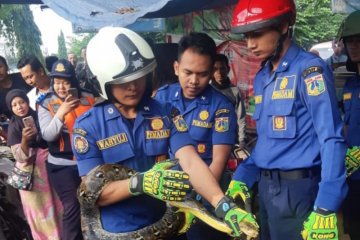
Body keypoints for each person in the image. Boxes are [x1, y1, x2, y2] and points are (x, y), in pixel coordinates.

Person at [72, 26, 258, 239]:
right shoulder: (87, 127)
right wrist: (141, 183)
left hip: (167, 226)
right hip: (117, 231)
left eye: (139, 77)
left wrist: (222, 204)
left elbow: (190, 161)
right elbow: (93, 195)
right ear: (103, 81)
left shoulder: (166, 112)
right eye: (124, 81)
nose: (134, 87)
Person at [227, 0, 348, 239]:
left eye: (258, 34)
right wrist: (243, 177)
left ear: (283, 26)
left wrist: (327, 204)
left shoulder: (309, 71)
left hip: (299, 191)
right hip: (266, 189)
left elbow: (331, 138)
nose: (250, 45)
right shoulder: (262, 77)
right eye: (247, 36)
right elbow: (267, 141)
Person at [154, 33, 237, 240]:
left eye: (202, 74)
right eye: (187, 72)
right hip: (165, 193)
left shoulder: (221, 106)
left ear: (210, 73)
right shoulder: (160, 99)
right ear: (176, 68)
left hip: (206, 196)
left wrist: (196, 201)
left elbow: (218, 161)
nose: (193, 81)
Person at [38, 59, 95, 240]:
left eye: (65, 82)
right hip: (62, 165)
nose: (61, 87)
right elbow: (48, 135)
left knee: (95, 204)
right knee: (72, 206)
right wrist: (61, 112)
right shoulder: (46, 103)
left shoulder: (89, 97)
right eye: (56, 82)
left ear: (73, 81)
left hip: (90, 162)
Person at [6, 89, 62, 240]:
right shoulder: (14, 127)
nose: (19, 107)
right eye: (14, 105)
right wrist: (24, 140)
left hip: (49, 169)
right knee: (38, 213)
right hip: (31, 179)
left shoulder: (40, 116)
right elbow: (19, 156)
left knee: (58, 207)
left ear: (27, 101)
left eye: (22, 102)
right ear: (11, 109)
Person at [338, 10, 360, 240]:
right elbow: (347, 125)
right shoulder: (350, 85)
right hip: (352, 173)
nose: (353, 46)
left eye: (359, 40)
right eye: (350, 41)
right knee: (353, 229)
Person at [210, 53, 247, 148]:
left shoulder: (235, 91)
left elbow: (241, 117)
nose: (219, 72)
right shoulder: (207, 91)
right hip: (210, 140)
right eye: (215, 69)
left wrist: (242, 140)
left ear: (228, 69)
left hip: (230, 139)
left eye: (222, 68)